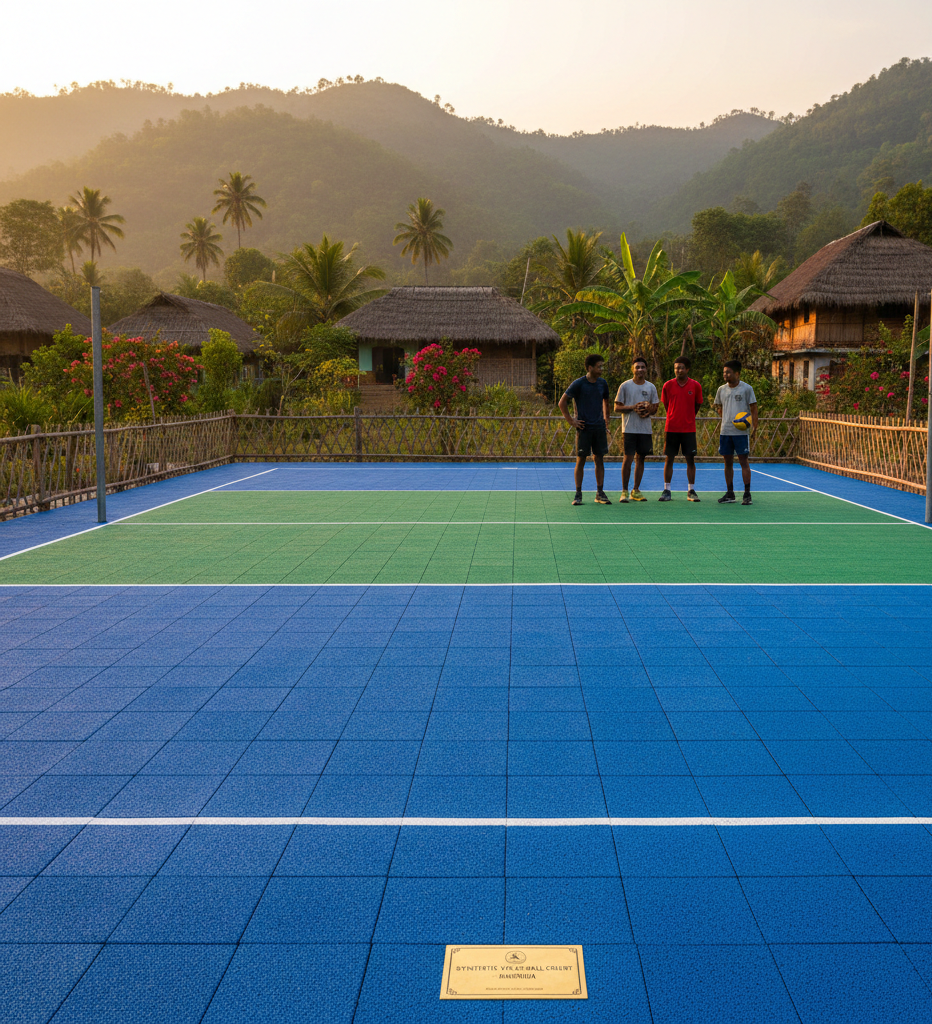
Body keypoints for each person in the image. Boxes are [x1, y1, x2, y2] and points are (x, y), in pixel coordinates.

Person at [559, 353, 612, 505]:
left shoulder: (603, 383)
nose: (601, 368)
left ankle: (600, 493)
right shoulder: (579, 384)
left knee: (599, 459)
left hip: (599, 428)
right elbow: (562, 403)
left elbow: (606, 403)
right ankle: (578, 494)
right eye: (599, 366)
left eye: (602, 366)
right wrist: (571, 421)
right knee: (581, 460)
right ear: (590, 368)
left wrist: (606, 424)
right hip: (584, 429)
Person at [613, 356, 659, 502]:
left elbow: (655, 407)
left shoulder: (651, 387)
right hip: (629, 429)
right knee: (628, 458)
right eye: (637, 367)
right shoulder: (625, 386)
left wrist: (648, 410)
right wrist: (633, 407)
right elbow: (616, 407)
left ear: (646, 369)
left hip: (644, 429)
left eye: (643, 367)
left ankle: (636, 490)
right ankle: (624, 491)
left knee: (641, 459)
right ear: (632, 369)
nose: (640, 369)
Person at [658, 356, 703, 502]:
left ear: (688, 369)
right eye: (676, 367)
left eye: (681, 367)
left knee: (690, 459)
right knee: (669, 458)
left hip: (689, 429)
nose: (678, 370)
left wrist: (688, 417)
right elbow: (666, 405)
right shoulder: (667, 385)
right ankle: (666, 490)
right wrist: (674, 417)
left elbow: (697, 405)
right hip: (671, 428)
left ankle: (691, 490)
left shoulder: (695, 385)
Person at [714, 359, 758, 505]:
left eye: (728, 372)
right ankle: (730, 493)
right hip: (725, 431)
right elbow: (718, 406)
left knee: (743, 462)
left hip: (741, 432)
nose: (725, 374)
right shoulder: (721, 389)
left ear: (737, 373)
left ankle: (747, 494)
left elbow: (753, 408)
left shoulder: (747, 389)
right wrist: (726, 419)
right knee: (727, 462)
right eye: (724, 372)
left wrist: (754, 426)